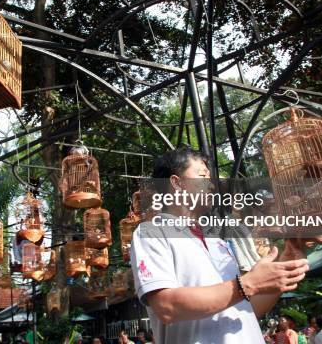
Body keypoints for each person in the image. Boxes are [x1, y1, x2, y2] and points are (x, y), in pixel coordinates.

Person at [130, 147, 311, 344]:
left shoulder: (217, 242)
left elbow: (247, 311)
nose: (211, 184)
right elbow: (166, 306)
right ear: (177, 182)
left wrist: (285, 265)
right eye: (202, 175)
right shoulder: (152, 232)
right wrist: (248, 283)